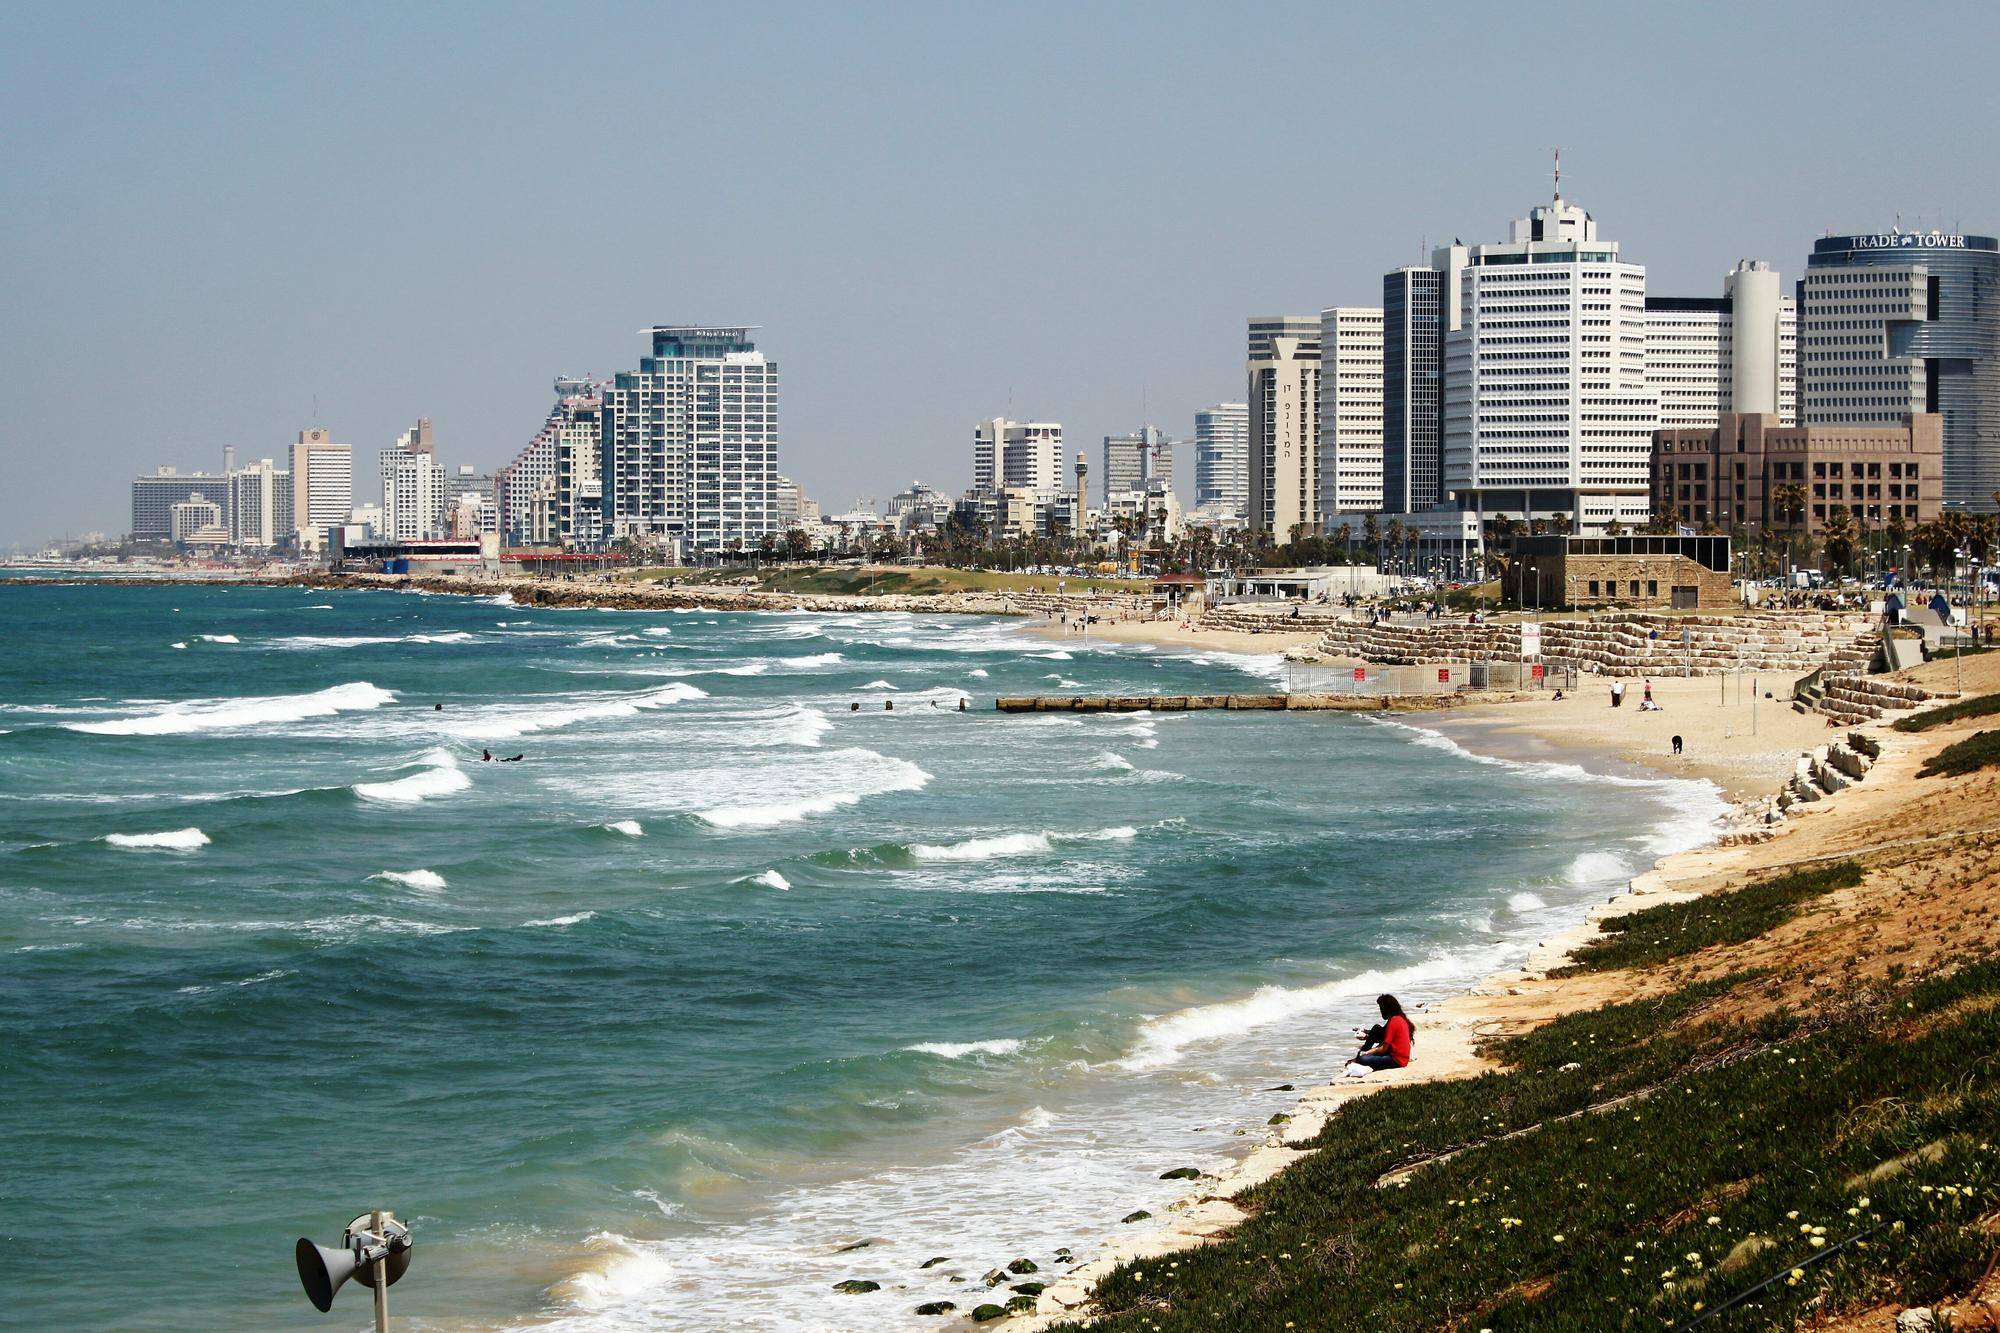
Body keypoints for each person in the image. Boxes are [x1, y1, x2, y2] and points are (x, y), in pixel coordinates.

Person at [1349, 995, 1413, 1074]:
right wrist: (1367, 1035)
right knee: (1363, 1055)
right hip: (1401, 1057)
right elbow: (1384, 1035)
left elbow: (1383, 1048)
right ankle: (1363, 1055)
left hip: (1397, 1060)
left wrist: (1368, 1052)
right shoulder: (1399, 1018)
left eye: (1381, 1008)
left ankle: (1363, 1056)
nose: (1381, 1011)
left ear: (1386, 1008)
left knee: (1362, 1059)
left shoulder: (1394, 1022)